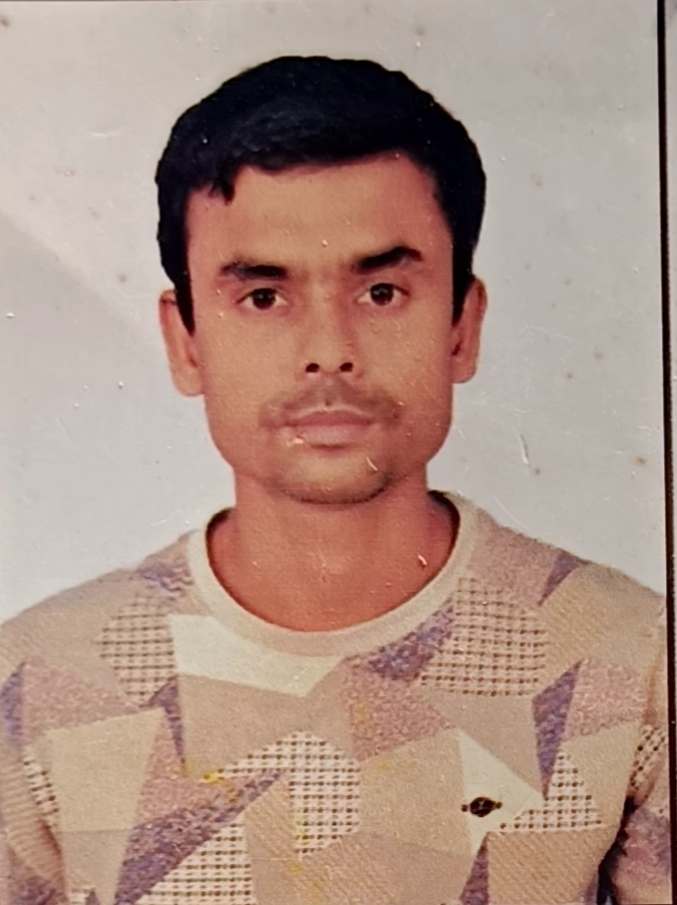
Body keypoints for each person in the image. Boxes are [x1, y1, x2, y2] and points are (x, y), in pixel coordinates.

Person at [0, 55, 670, 905]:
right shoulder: (34, 685)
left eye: (382, 291)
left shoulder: (635, 661)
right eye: (263, 297)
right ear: (186, 341)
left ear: (461, 326)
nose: (328, 350)